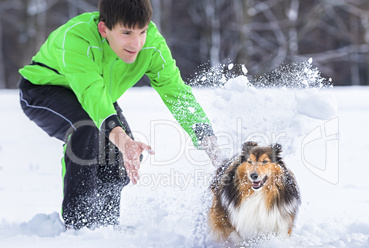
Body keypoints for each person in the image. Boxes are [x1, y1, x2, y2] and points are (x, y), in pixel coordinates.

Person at [18, 0, 222, 229]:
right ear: (104, 29)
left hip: (99, 95)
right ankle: (79, 226)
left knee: (120, 154)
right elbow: (90, 93)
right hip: (44, 91)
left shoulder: (152, 46)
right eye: (126, 33)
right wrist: (122, 139)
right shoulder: (76, 39)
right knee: (87, 130)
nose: (136, 43)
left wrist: (212, 148)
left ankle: (106, 223)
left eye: (142, 31)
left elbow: (177, 94)